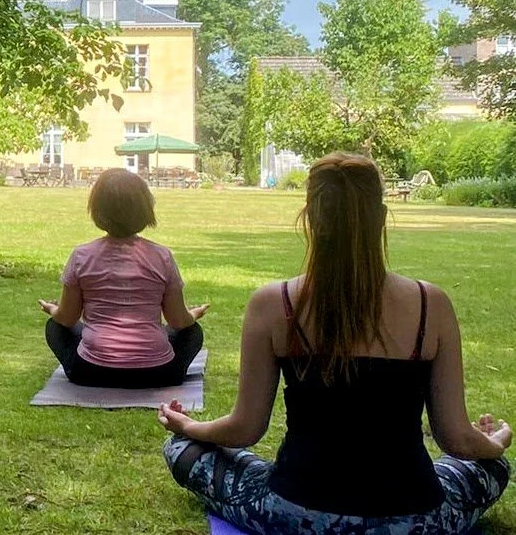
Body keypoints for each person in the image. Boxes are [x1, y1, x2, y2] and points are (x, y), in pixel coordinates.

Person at [159, 153, 510, 534]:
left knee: (181, 449)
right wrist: (495, 445)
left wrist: (190, 427)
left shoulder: (273, 303)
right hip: (416, 522)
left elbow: (244, 430)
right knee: (490, 468)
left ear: (310, 216)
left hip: (296, 514)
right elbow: (458, 439)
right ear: (381, 215)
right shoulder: (431, 304)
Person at [38, 168, 207, 388]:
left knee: (54, 327)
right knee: (192, 332)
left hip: (90, 372)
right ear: (145, 208)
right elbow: (178, 321)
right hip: (160, 373)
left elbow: (66, 319)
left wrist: (52, 309)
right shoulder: (161, 256)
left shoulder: (82, 256)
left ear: (97, 209)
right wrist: (193, 314)